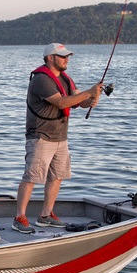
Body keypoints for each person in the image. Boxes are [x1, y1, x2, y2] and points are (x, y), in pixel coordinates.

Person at [13, 43, 103, 234]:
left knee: (57, 176)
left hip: (60, 137)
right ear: (50, 58)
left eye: (67, 56)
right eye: (62, 56)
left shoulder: (66, 79)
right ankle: (19, 217)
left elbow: (78, 101)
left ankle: (45, 216)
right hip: (40, 137)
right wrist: (89, 92)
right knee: (31, 177)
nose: (66, 59)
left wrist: (93, 98)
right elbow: (61, 102)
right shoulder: (41, 80)